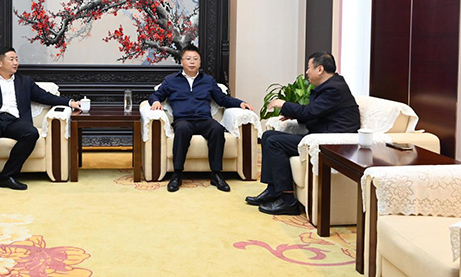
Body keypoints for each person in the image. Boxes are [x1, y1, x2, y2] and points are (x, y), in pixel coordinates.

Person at [246, 51, 360, 215]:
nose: (306, 72)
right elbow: (315, 112)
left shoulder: (334, 89)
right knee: (268, 136)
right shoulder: (329, 86)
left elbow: (310, 112)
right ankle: (273, 190)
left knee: (274, 142)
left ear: (320, 69)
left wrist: (284, 104)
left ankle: (288, 200)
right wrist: (294, 114)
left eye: (309, 67)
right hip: (318, 136)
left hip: (329, 143)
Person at [0, 47, 81, 193]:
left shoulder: (25, 82)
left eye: (16, 59)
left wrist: (69, 102)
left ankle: (7, 176)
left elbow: (45, 96)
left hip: (14, 121)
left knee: (31, 133)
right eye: (11, 59)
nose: (15, 63)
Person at [149, 44, 254, 193]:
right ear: (182, 62)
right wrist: (155, 101)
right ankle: (177, 174)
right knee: (182, 130)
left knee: (217, 129)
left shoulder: (208, 80)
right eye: (188, 59)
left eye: (195, 59)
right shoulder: (171, 80)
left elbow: (222, 99)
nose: (192, 62)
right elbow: (155, 95)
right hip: (183, 119)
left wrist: (240, 103)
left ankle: (216, 174)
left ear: (200, 62)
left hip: (204, 119)